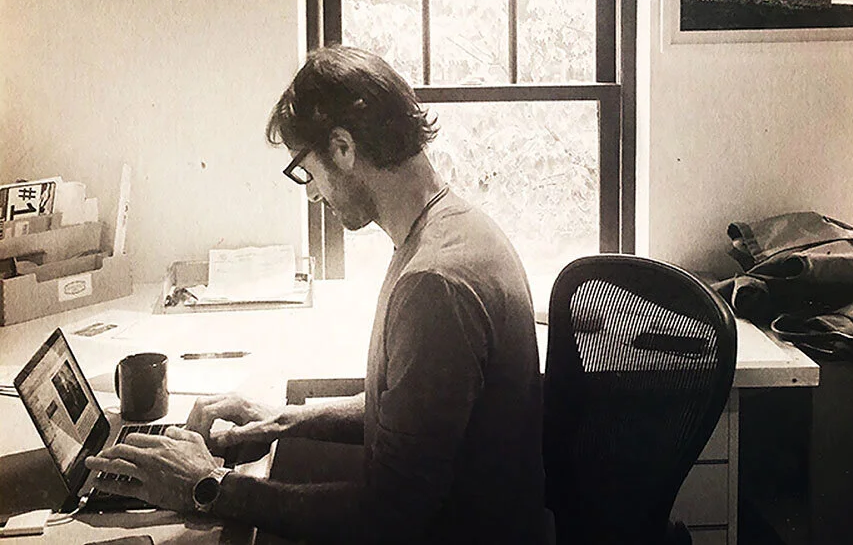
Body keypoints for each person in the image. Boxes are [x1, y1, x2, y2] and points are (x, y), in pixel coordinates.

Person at [87, 45, 546, 545]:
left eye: (305, 169)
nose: (310, 192)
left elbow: (390, 516)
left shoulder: (434, 284)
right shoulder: (452, 229)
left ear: (343, 148)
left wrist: (206, 485)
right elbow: (413, 416)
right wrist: (286, 419)